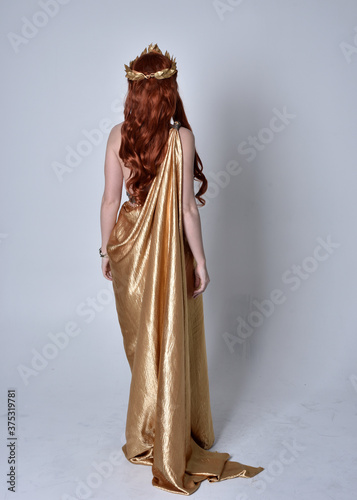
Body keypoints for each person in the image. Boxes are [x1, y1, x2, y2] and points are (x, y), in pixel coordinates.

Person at [99, 43, 264, 495]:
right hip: (170, 249)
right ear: (169, 91)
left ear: (134, 91)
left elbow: (111, 200)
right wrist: (202, 262)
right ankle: (165, 425)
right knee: (167, 338)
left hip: (130, 248)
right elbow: (188, 210)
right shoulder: (181, 138)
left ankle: (150, 430)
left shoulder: (117, 135)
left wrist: (105, 251)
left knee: (142, 341)